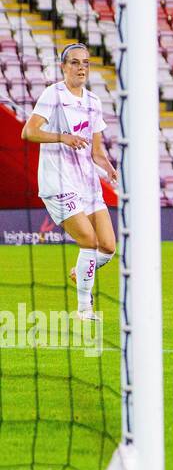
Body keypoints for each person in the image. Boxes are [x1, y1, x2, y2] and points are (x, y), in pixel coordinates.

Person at [20, 43, 117, 320]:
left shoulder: (94, 102)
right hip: (59, 182)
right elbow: (29, 132)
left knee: (108, 247)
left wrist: (108, 167)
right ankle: (84, 308)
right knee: (88, 240)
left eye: (85, 63)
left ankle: (81, 271)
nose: (81, 68)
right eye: (74, 63)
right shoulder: (53, 94)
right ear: (64, 67)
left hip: (88, 183)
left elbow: (96, 151)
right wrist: (63, 137)